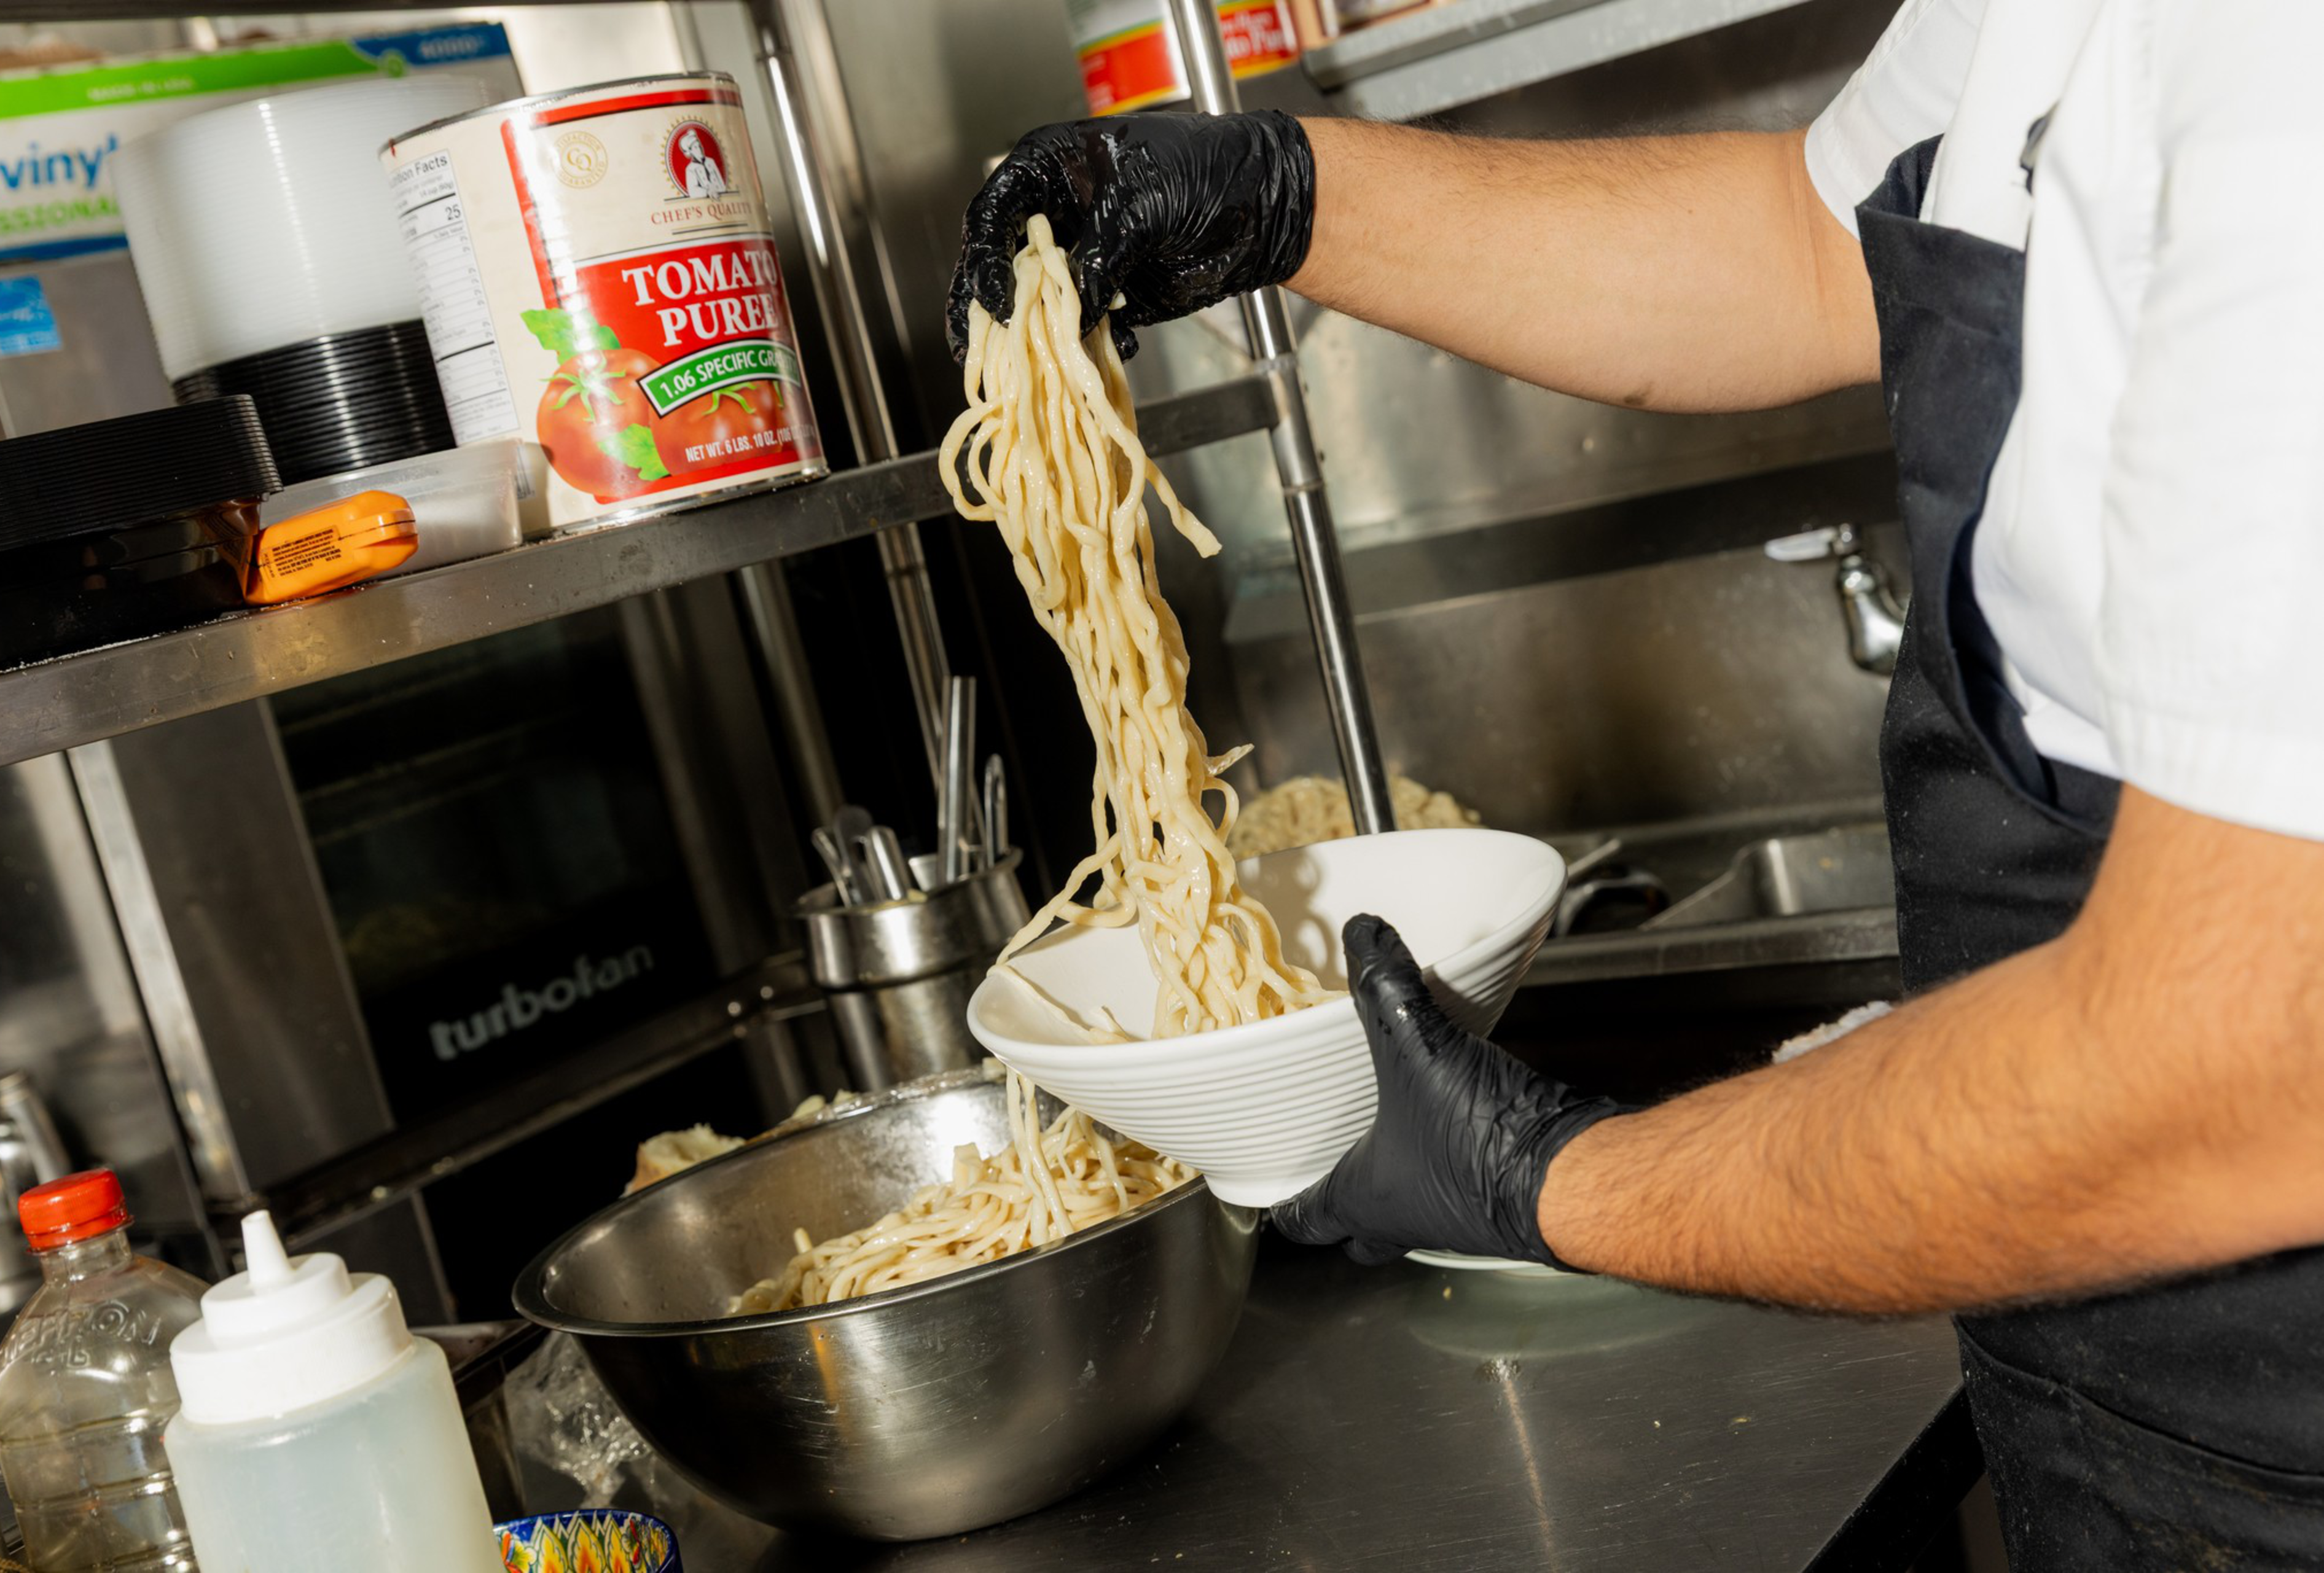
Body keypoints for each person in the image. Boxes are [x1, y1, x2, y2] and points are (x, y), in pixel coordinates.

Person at [947, 0, 2324, 1564]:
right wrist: (1285, 193)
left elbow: (2244, 1059)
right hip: (2098, 1329)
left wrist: (1551, 1182)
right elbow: (1808, 244)